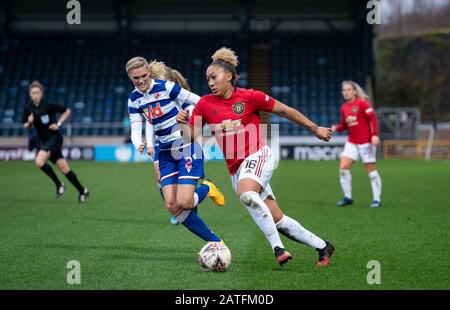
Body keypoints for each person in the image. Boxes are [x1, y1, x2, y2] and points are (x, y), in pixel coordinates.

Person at [177, 47, 335, 266]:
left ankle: (278, 249)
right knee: (278, 219)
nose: (210, 82)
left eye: (214, 77)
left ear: (229, 76)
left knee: (246, 192)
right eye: (207, 79)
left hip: (258, 156)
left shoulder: (250, 97)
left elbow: (285, 110)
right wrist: (183, 123)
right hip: (236, 170)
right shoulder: (205, 104)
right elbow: (189, 137)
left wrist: (314, 128)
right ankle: (323, 247)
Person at [125, 56, 225, 244]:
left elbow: (198, 101)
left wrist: (192, 120)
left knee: (184, 202)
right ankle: (215, 242)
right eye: (135, 78)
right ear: (130, 78)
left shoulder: (165, 87)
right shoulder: (133, 99)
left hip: (185, 145)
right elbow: (136, 126)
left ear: (148, 72)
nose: (140, 81)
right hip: (164, 152)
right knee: (172, 205)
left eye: (143, 76)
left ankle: (207, 188)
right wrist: (138, 142)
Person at [146, 60, 197, 225]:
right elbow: (148, 121)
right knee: (159, 178)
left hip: (182, 142)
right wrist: (150, 144)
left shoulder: (178, 97)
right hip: (161, 144)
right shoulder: (149, 97)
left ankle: (190, 211)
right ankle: (178, 211)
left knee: (184, 182)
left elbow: (193, 117)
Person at [22, 81, 89, 203]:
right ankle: (82, 190)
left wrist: (58, 123)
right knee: (65, 169)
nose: (35, 95)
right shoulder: (28, 108)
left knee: (39, 161)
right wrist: (30, 122)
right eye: (33, 93)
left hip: (55, 138)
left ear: (41, 93)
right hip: (45, 141)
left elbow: (67, 110)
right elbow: (26, 126)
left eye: (37, 92)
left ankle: (59, 184)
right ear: (30, 94)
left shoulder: (48, 105)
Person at [332, 81, 382, 208]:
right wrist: (336, 128)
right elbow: (344, 125)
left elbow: (373, 118)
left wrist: (374, 135)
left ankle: (377, 199)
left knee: (371, 171)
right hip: (352, 142)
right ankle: (348, 197)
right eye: (344, 90)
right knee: (343, 168)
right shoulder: (344, 107)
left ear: (354, 91)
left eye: (349, 90)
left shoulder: (362, 103)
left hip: (366, 142)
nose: (346, 92)